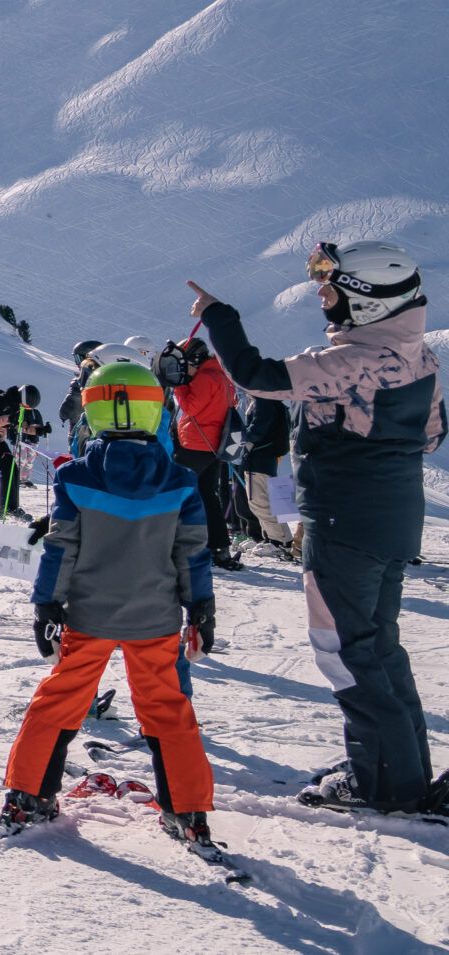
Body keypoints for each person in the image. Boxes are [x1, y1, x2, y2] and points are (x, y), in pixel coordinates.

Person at [191, 241, 443, 815]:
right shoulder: (418, 357)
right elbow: (432, 433)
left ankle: (384, 783)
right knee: (377, 645)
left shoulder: (354, 360)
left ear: (370, 302)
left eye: (334, 290)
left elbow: (258, 376)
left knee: (344, 650)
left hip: (344, 519)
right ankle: (397, 767)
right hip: (392, 520)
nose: (324, 300)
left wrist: (219, 318)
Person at [0, 360, 217, 846]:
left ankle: (28, 797)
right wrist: (201, 609)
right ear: (153, 410)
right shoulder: (180, 482)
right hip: (155, 620)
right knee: (168, 711)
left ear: (93, 413)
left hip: (88, 618)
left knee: (57, 703)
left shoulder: (75, 478)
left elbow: (61, 548)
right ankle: (187, 810)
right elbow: (192, 554)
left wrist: (47, 608)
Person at [160, 336, 241, 570]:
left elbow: (191, 407)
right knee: (208, 495)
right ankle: (218, 547)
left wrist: (180, 385)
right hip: (214, 446)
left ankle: (174, 544)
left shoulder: (205, 377)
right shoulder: (222, 375)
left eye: (187, 364)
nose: (187, 369)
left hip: (195, 444)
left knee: (177, 491)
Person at [233, 386, 301, 561]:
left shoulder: (263, 402)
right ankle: (271, 538)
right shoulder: (273, 401)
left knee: (260, 502)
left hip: (259, 458)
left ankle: (279, 542)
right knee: (261, 501)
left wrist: (244, 440)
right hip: (266, 457)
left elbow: (259, 427)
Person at [0, 383, 51, 517]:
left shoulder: (16, 406)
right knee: (8, 468)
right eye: (26, 406)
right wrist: (10, 418)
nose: (26, 409)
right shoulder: (3, 400)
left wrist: (39, 430)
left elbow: (21, 426)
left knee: (13, 469)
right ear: (23, 399)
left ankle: (11, 507)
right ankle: (8, 508)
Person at [58, 339, 101, 456]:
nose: (77, 364)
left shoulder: (80, 382)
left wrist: (63, 415)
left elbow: (68, 407)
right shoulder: (107, 379)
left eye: (78, 359)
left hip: (81, 432)